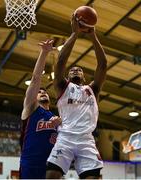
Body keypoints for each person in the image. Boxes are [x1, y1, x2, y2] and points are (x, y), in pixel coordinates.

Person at [46, 15, 107, 179]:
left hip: (86, 139)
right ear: (68, 75)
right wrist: (74, 34)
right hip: (65, 137)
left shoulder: (92, 89)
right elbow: (61, 61)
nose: (75, 70)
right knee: (51, 175)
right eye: (72, 69)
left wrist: (93, 36)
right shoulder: (62, 86)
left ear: (85, 77)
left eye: (79, 69)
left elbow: (102, 65)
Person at [19, 39, 61, 179]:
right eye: (39, 92)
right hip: (30, 166)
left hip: (51, 167)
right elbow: (36, 78)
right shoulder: (31, 108)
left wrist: (62, 123)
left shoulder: (56, 118)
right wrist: (44, 53)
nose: (43, 92)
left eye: (45, 91)